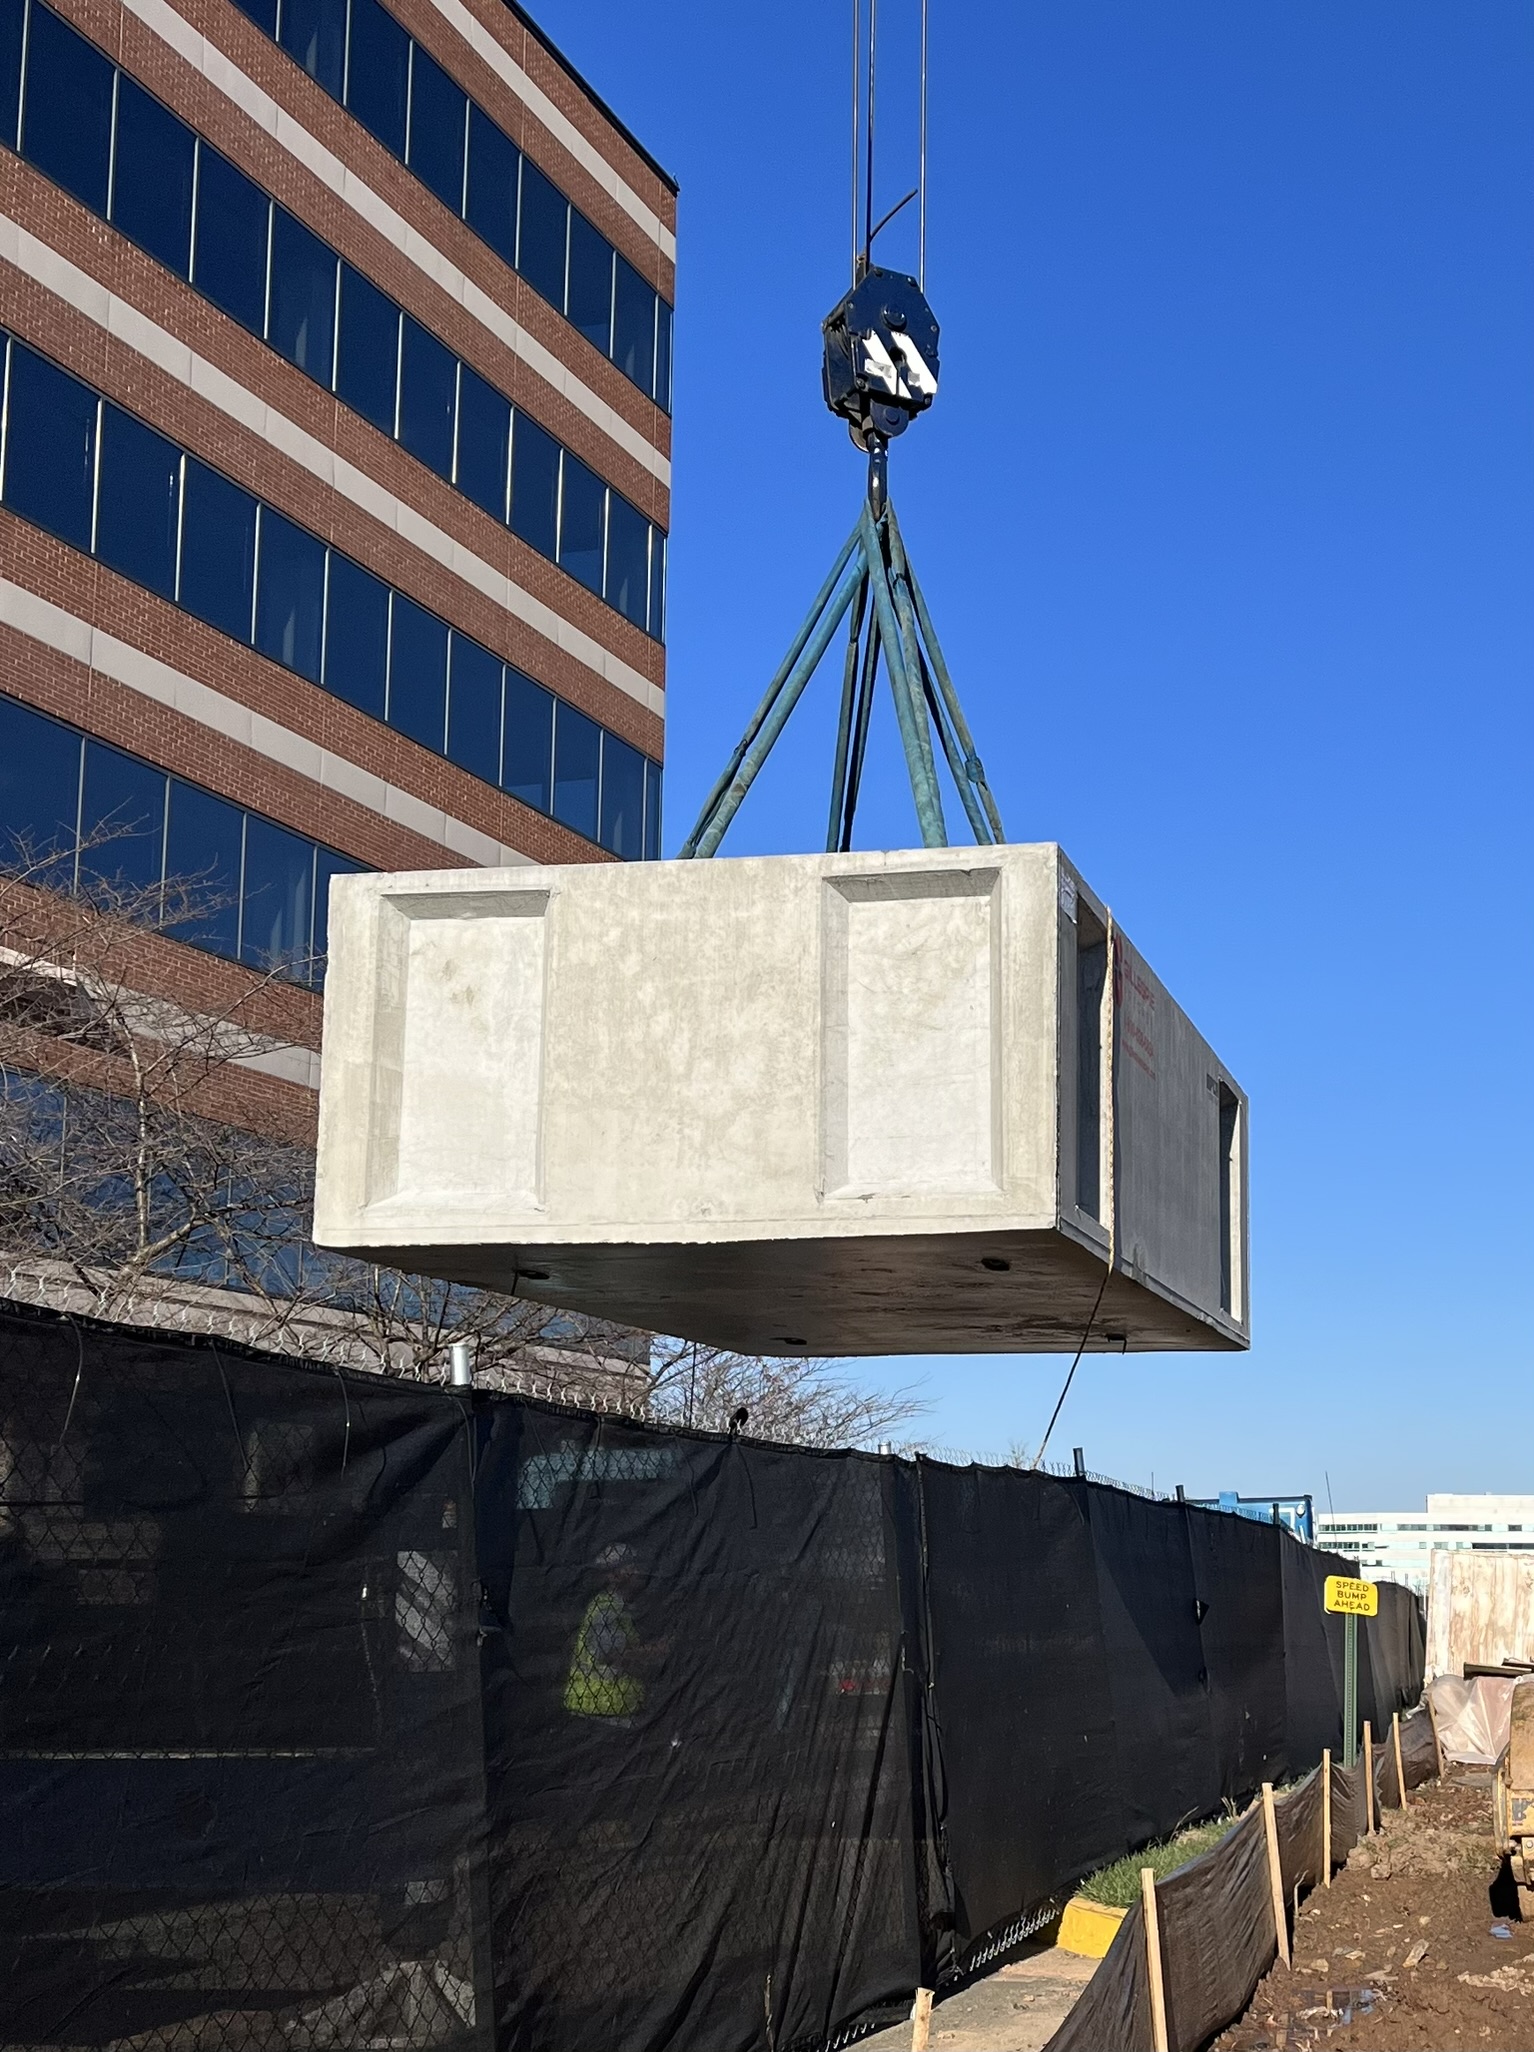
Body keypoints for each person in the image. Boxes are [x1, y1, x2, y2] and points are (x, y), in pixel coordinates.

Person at [564, 1542, 651, 1726]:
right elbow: (612, 1654)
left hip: (615, 1708)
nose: (639, 1572)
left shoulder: (623, 1608)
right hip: (602, 1710)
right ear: (614, 1575)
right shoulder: (606, 1610)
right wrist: (655, 1651)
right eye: (632, 1567)